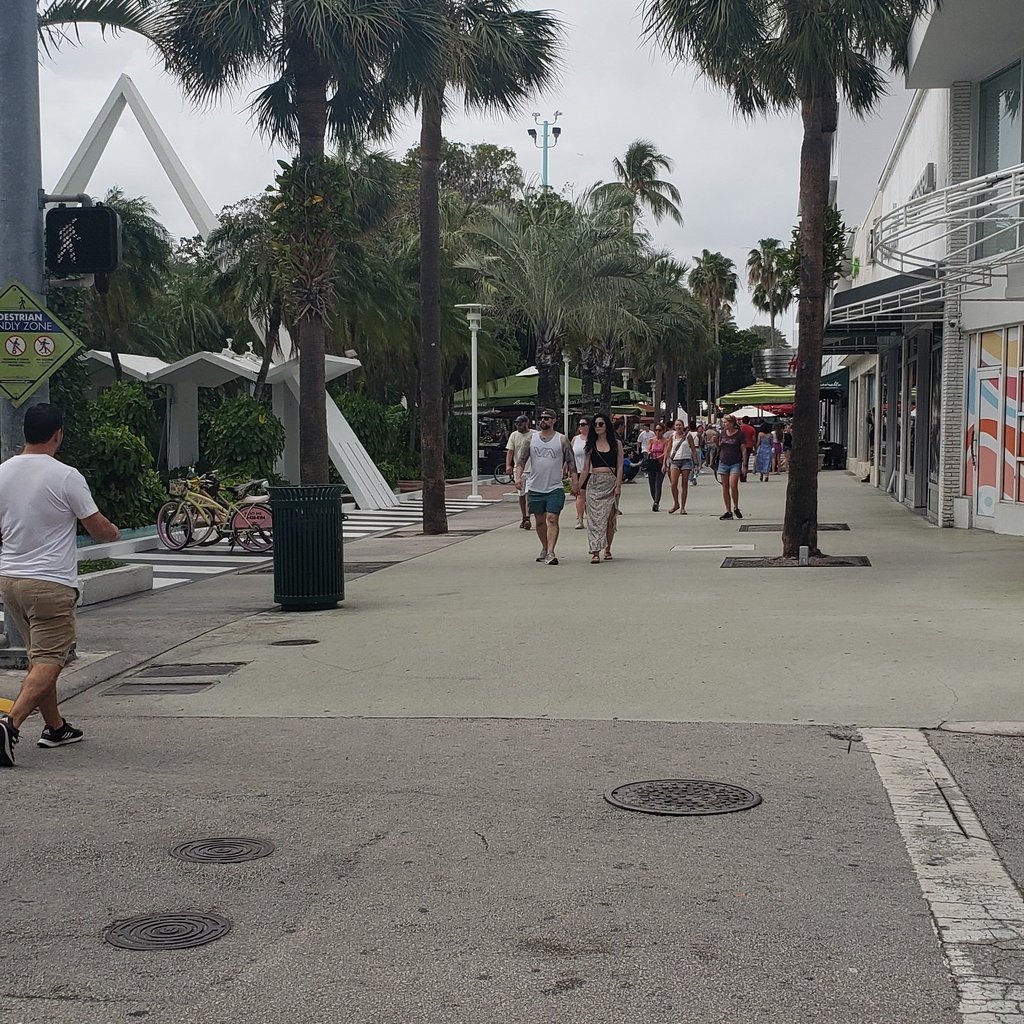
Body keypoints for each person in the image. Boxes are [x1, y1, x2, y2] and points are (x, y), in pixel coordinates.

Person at [0, 404, 120, 767]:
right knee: (52, 658)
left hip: (10, 581)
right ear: (58, 434)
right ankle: (10, 724)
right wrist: (112, 533)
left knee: (40, 658)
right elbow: (97, 526)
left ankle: (55, 727)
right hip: (50, 583)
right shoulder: (65, 476)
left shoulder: (2, 472)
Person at [514, 408, 579, 566]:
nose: (543, 420)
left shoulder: (562, 440)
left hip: (555, 487)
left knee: (552, 518)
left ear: (554, 421)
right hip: (535, 487)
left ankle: (551, 551)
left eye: (547, 418)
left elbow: (571, 463)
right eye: (541, 418)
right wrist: (518, 477)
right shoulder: (531, 439)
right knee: (540, 521)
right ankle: (544, 547)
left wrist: (575, 483)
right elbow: (521, 460)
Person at [578, 411, 623, 563]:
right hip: (595, 482)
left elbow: (620, 465)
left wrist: (618, 485)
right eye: (595, 424)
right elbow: (585, 468)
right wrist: (577, 486)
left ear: (607, 426)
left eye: (601, 424)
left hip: (610, 482)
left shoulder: (616, 444)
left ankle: (608, 548)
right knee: (595, 519)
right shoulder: (590, 445)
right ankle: (595, 550)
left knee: (609, 518)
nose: (598, 427)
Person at [505, 415, 534, 530]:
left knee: (529, 493)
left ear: (526, 423)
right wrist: (508, 465)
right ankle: (524, 516)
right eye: (517, 424)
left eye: (520, 424)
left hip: (532, 469)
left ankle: (528, 517)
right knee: (521, 495)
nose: (518, 426)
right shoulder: (514, 435)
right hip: (519, 470)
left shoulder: (534, 434)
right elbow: (510, 451)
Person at [665, 418, 698, 515]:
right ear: (674, 427)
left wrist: (696, 463)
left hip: (686, 461)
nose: (678, 427)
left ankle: (683, 507)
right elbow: (668, 449)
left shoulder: (688, 436)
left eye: (680, 425)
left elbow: (693, 449)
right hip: (675, 461)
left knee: (684, 484)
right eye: (676, 425)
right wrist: (665, 462)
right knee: (673, 483)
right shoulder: (672, 436)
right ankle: (676, 503)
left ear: (683, 426)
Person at [717, 413, 745, 520]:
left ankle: (736, 506)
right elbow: (720, 446)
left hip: (735, 462)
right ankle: (728, 511)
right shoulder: (723, 433)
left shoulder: (739, 434)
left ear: (732, 423)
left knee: (733, 485)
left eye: (726, 422)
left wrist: (744, 463)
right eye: (723, 422)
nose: (724, 424)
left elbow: (743, 449)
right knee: (724, 486)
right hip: (723, 462)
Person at [570, 417, 590, 530]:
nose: (581, 427)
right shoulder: (575, 439)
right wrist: (567, 468)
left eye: (583, 424)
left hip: (591, 471)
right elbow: (571, 456)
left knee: (589, 497)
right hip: (577, 471)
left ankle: (591, 516)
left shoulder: (593, 440)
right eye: (580, 424)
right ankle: (579, 519)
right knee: (580, 495)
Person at [645, 423, 668, 511]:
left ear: (663, 431)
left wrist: (660, 457)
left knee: (658, 484)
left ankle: (656, 503)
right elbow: (648, 449)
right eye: (656, 430)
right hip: (652, 463)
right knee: (651, 484)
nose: (657, 432)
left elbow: (666, 452)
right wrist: (649, 452)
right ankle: (655, 499)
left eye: (659, 430)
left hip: (660, 464)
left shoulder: (666, 441)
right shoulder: (651, 440)